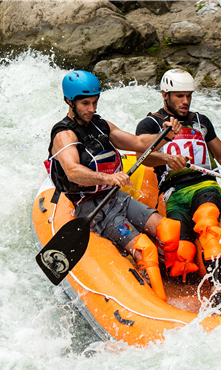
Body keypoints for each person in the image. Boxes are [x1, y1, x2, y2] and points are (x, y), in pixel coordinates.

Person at [48, 70, 184, 302]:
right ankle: (159, 302)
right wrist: (107, 178)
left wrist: (165, 135)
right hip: (92, 208)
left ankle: (176, 277)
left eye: (95, 102)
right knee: (146, 249)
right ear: (70, 101)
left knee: (169, 230)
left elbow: (139, 143)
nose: (91, 108)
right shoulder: (64, 135)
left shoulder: (100, 125)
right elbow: (72, 171)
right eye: (85, 103)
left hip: (115, 198)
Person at [135, 69, 221, 305]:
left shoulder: (201, 121)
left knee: (207, 224)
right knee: (181, 254)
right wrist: (167, 159)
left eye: (188, 96)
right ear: (165, 95)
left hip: (204, 186)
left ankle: (219, 288)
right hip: (174, 194)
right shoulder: (150, 123)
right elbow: (142, 157)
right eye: (179, 96)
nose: (185, 101)